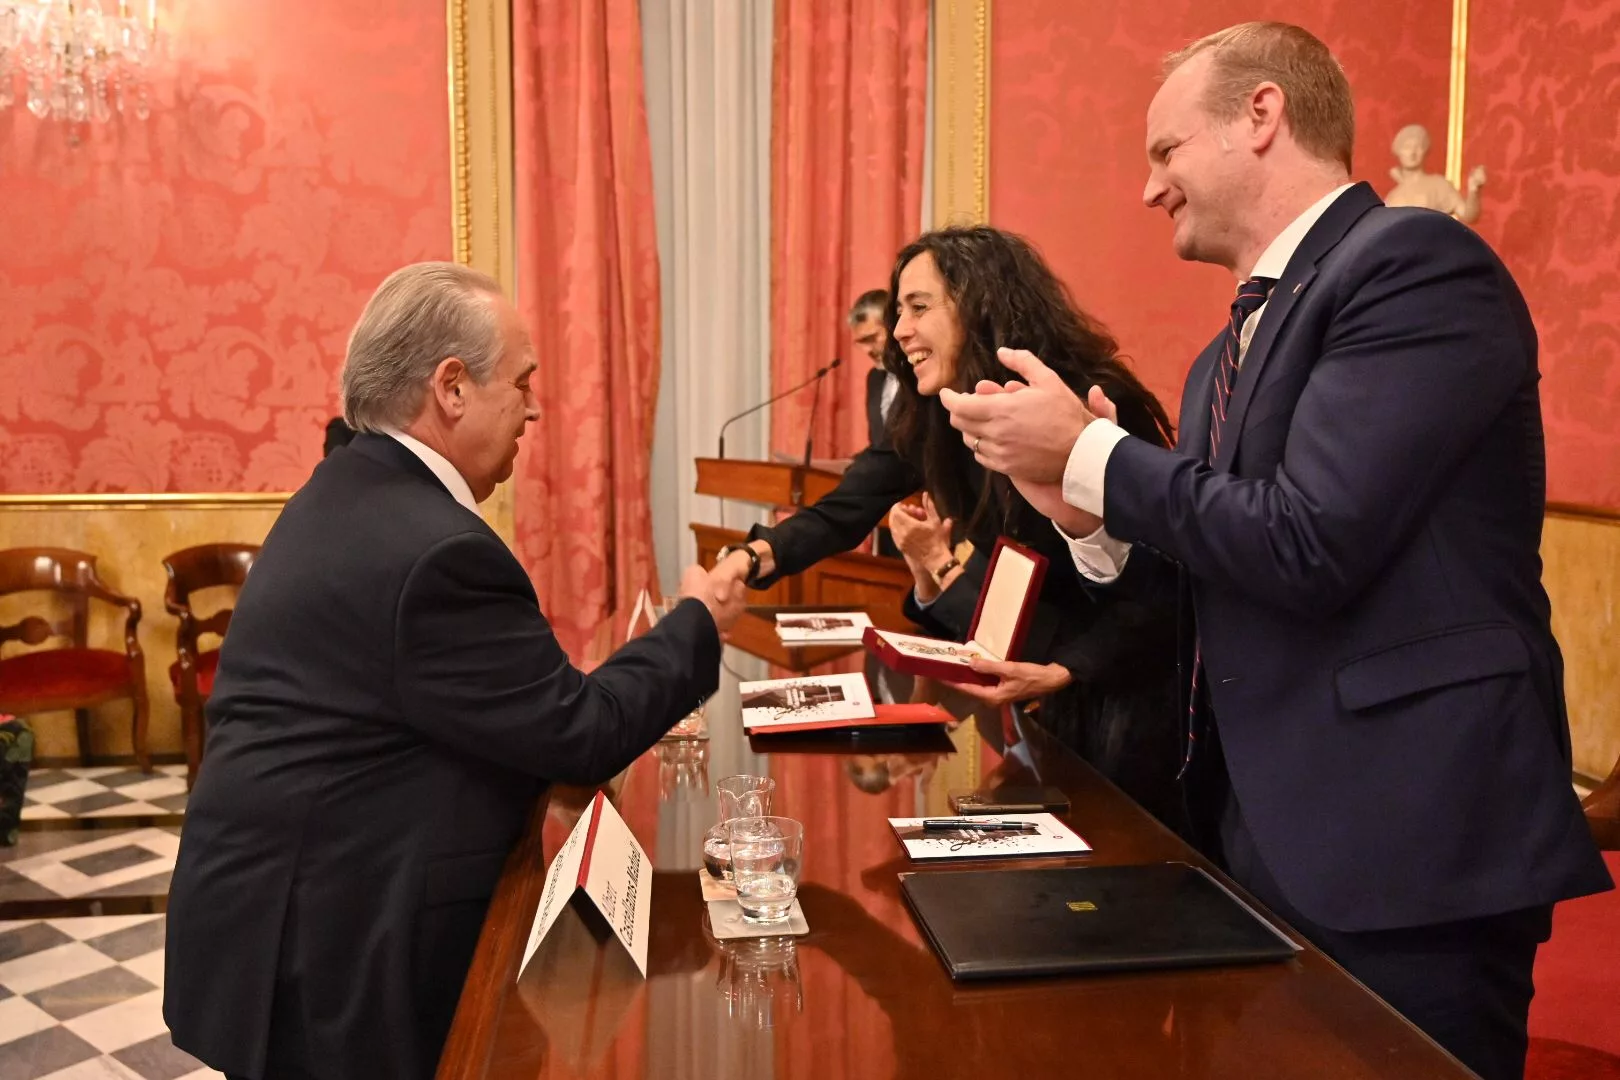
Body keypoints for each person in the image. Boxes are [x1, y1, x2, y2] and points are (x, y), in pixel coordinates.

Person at [939, 23, 1611, 1080]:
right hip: (1257, 836)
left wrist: (1095, 452)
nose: (1149, 189)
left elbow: (1313, 540)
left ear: (1262, 115)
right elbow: (1223, 567)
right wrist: (1085, 513)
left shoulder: (1416, 267)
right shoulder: (1223, 354)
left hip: (1406, 841)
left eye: (1165, 152)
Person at [164, 262, 744, 1080]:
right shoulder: (436, 551)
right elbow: (578, 735)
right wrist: (696, 619)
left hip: (284, 915)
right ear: (452, 387)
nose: (536, 406)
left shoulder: (353, 488)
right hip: (329, 945)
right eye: (523, 381)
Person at [712, 226, 1185, 829]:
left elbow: (1162, 581)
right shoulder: (934, 413)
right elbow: (845, 507)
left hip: (1126, 696)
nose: (900, 330)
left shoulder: (1086, 399)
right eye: (899, 310)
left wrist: (1070, 668)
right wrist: (753, 558)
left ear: (980, 303)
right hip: (1034, 694)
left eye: (918, 307)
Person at [849, 288, 898, 449]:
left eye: (872, 338)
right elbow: (877, 444)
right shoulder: (875, 378)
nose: (867, 350)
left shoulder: (920, 375)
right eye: (861, 342)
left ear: (892, 326)